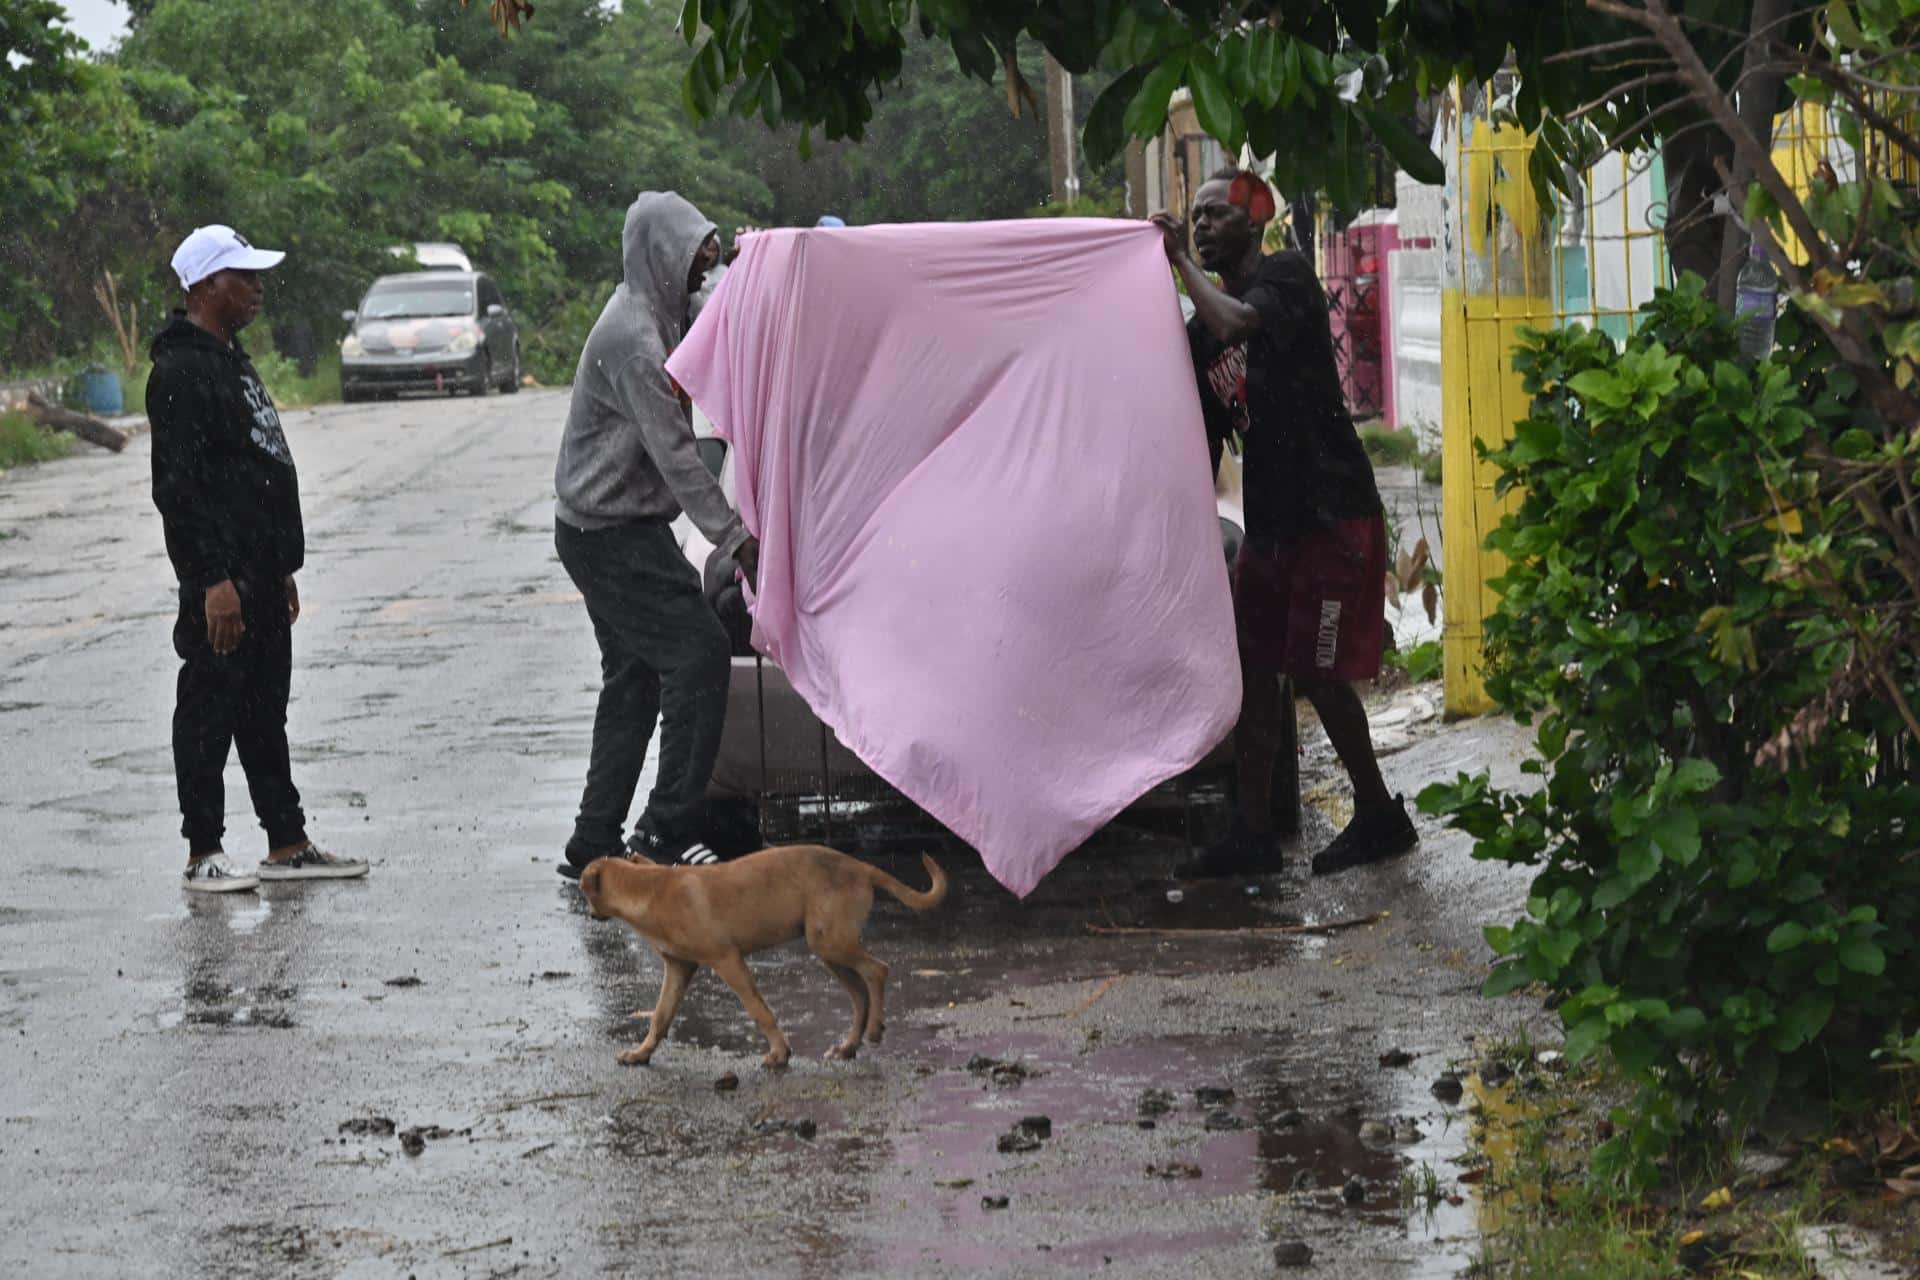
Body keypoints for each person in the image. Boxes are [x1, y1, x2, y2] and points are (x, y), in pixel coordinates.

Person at [1153, 169, 1417, 878]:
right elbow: (1201, 439)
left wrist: (1177, 260)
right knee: (1255, 668)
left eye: (1215, 215)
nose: (1202, 226)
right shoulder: (1202, 336)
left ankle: (1379, 815)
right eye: (1194, 219)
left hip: (1330, 516)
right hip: (1272, 528)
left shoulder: (1286, 277)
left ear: (1255, 219)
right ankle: (1253, 833)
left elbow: (1240, 321)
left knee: (1319, 672)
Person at [149, 225, 370, 892]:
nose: (257, 288)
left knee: (264, 713)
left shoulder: (229, 359)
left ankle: (287, 841)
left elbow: (255, 468)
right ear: (207, 285)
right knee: (210, 711)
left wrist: (280, 567)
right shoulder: (182, 371)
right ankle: (203, 851)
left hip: (262, 575)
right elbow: (178, 490)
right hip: (222, 580)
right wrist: (213, 580)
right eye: (244, 277)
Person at [553, 191, 760, 879]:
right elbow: (677, 457)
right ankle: (665, 829)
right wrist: (735, 539)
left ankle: (593, 842)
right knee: (698, 653)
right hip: (609, 534)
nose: (701, 266)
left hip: (607, 527)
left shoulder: (663, 313)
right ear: (658, 255)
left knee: (635, 679)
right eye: (694, 253)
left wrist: (748, 266)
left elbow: (717, 313)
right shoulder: (634, 339)